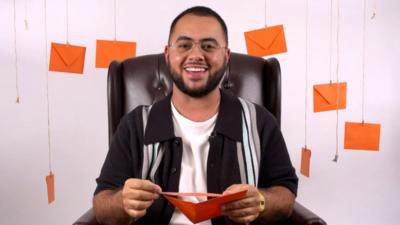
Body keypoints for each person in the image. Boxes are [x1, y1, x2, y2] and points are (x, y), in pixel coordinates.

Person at [93, 6, 298, 225]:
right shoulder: (134, 125)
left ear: (226, 56)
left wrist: (262, 201)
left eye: (209, 46)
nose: (196, 55)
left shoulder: (260, 122)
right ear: (168, 54)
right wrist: (122, 202)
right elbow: (102, 205)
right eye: (184, 45)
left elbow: (286, 196)